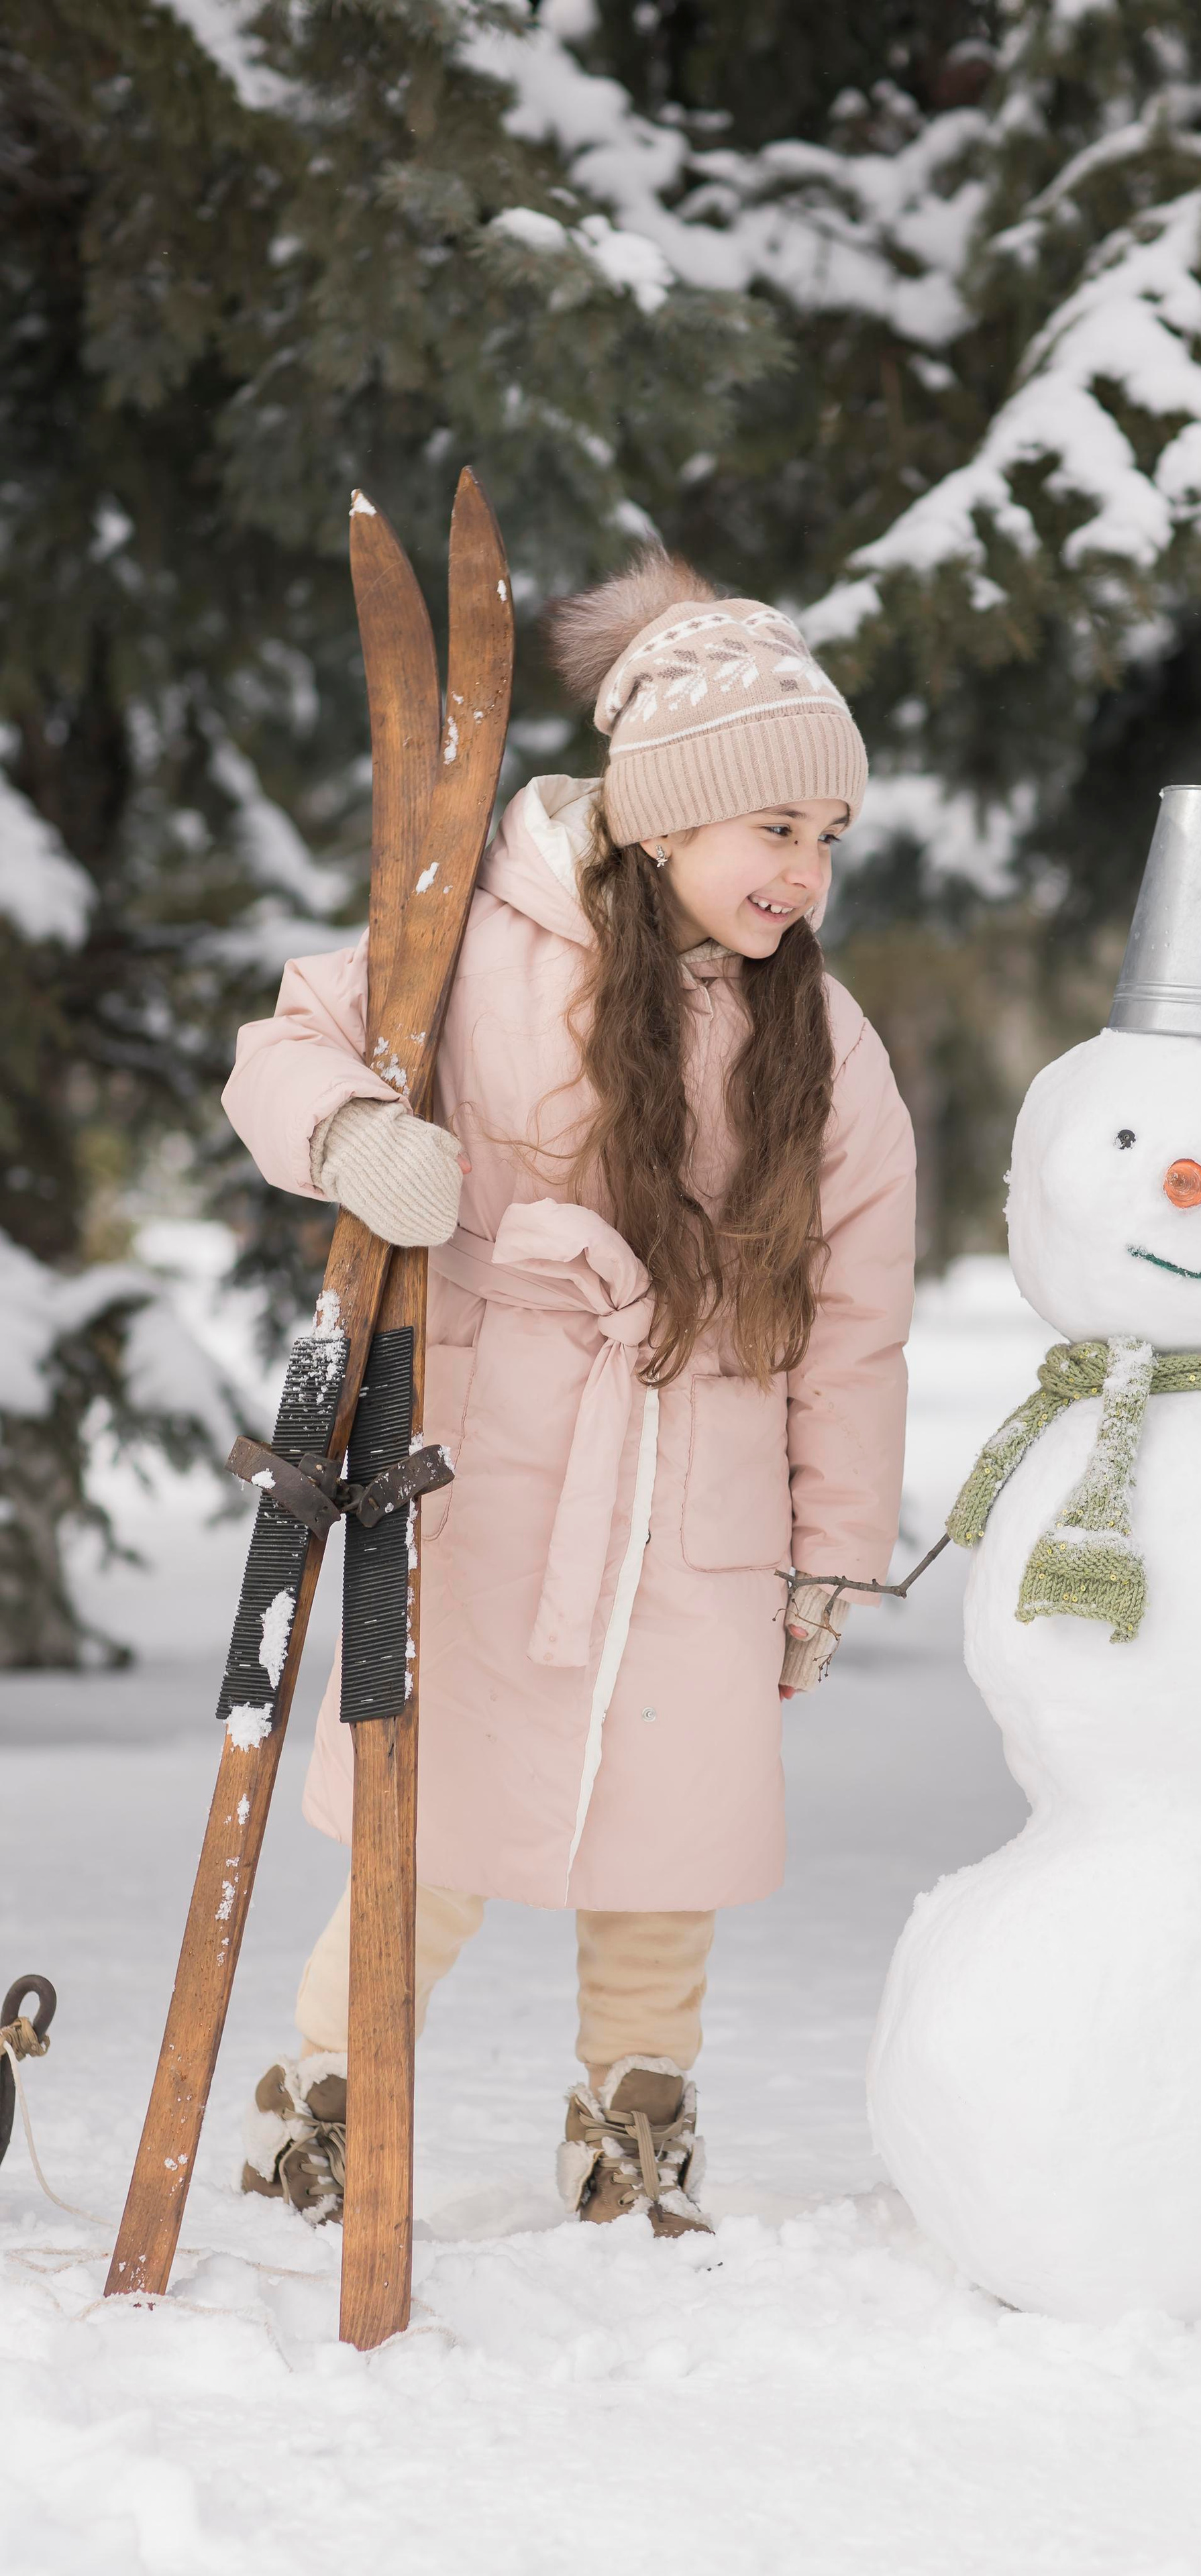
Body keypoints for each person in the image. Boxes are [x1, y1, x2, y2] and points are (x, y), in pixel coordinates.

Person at [221, 554, 916, 2237]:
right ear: (671, 816)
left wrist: (831, 1551)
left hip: (702, 1473)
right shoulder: (468, 941)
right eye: (777, 832)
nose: (804, 875)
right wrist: (352, 1137)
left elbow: (854, 1322)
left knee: (669, 1835)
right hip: (482, 1461)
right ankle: (323, 2097)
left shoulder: (819, 1037)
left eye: (828, 840)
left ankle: (631, 2125)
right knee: (438, 1812)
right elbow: (284, 1043)